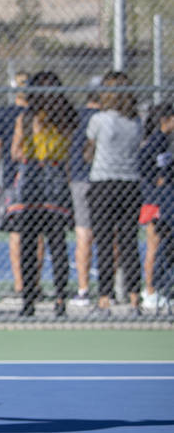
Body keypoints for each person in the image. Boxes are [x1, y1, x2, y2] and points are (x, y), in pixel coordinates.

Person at [10, 71, 78, 317]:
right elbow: (69, 152)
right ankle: (60, 298)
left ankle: (29, 299)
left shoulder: (26, 118)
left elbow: (16, 152)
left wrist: (30, 146)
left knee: (29, 242)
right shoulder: (66, 119)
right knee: (56, 241)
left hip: (32, 177)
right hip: (56, 175)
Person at [85, 71, 143, 313]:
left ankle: (105, 298)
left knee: (105, 242)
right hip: (130, 183)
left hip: (103, 184)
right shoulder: (135, 120)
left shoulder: (99, 119)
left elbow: (88, 152)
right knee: (129, 241)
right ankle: (133, 299)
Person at [0, 71, 33, 297]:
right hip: (18, 179)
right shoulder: (7, 114)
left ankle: (25, 285)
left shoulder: (37, 114)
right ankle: (24, 284)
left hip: (30, 177)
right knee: (24, 230)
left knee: (23, 230)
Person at [139, 103, 174, 312]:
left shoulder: (167, 141)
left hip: (165, 198)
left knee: (163, 244)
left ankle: (159, 289)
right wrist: (156, 179)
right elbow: (143, 164)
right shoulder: (155, 140)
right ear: (165, 120)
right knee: (154, 244)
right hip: (154, 200)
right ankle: (151, 291)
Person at [69, 87, 101, 307]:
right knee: (111, 233)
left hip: (80, 180)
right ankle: (112, 289)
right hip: (104, 180)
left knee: (84, 233)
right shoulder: (112, 118)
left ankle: (83, 289)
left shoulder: (75, 117)